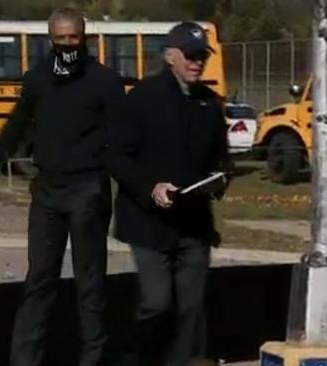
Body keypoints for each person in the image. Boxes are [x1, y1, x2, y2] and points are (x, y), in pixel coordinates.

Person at [0, 6, 124, 366]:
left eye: (73, 38)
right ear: (50, 40)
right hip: (47, 191)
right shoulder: (38, 78)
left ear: (84, 38)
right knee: (39, 281)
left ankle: (92, 359)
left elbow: (124, 135)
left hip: (88, 188)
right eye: (60, 39)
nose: (67, 45)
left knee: (89, 286)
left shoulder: (104, 82)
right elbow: (18, 121)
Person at [108, 21, 232, 366]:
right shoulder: (144, 97)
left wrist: (220, 179)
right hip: (148, 223)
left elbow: (220, 157)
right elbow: (117, 156)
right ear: (169, 56)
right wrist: (151, 187)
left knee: (191, 306)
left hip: (193, 224)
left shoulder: (209, 103)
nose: (197, 63)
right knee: (157, 302)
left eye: (202, 56)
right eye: (190, 56)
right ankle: (132, 357)